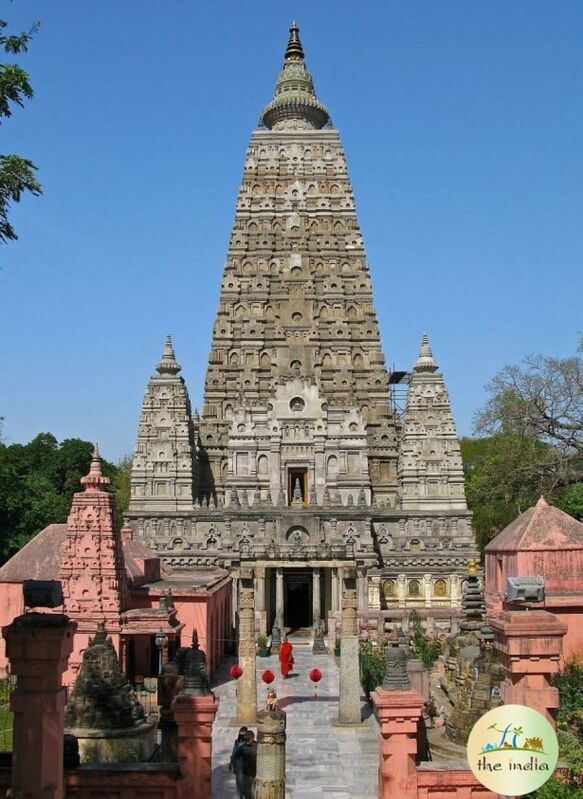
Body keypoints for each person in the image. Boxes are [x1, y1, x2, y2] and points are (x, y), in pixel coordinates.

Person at [229, 726, 248, 798]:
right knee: (239, 782)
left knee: (246, 782)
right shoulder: (237, 742)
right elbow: (234, 753)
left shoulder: (248, 742)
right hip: (239, 765)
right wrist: (231, 763)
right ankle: (241, 795)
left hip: (247, 765)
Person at [239, 729, 257, 799]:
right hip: (246, 773)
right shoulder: (242, 748)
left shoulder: (258, 746)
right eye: (245, 739)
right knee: (247, 792)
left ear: (252, 738)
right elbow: (236, 758)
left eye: (248, 739)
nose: (246, 741)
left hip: (257, 772)